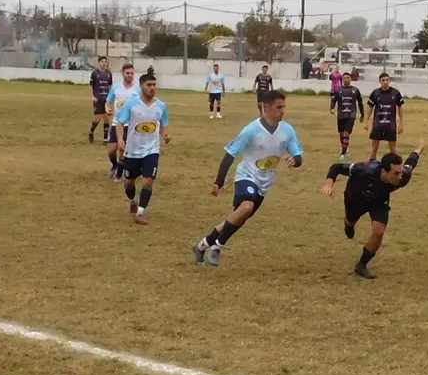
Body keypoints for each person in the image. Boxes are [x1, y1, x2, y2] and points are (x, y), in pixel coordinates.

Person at [193, 90, 303, 266]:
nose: (282, 111)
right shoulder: (251, 130)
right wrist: (219, 181)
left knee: (238, 217)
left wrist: (294, 160)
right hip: (246, 175)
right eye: (278, 107)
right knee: (246, 207)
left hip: (265, 183)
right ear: (265, 107)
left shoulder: (287, 131)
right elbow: (230, 154)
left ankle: (202, 245)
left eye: (284, 107)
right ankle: (217, 247)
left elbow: (298, 156)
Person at [321, 140, 426, 279]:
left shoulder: (403, 176)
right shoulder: (365, 169)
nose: (400, 177)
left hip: (378, 201)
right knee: (350, 221)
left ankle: (362, 265)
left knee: (379, 232)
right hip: (355, 199)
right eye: (395, 173)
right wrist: (329, 184)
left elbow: (411, 162)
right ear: (384, 171)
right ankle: (349, 224)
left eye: (400, 172)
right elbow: (336, 167)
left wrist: (419, 149)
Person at [115, 72, 171, 225]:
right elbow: (120, 123)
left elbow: (162, 124)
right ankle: (133, 201)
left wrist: (165, 135)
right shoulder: (131, 104)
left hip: (152, 150)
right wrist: (120, 138)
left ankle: (140, 212)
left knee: (148, 180)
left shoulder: (161, 106)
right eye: (149, 85)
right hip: (132, 150)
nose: (153, 88)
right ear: (141, 86)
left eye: (154, 85)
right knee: (129, 182)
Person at [105, 63, 140, 181]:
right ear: (122, 73)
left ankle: (119, 175)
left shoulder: (137, 90)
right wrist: (107, 108)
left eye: (132, 73)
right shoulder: (116, 88)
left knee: (122, 149)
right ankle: (115, 165)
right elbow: (108, 101)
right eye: (128, 73)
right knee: (111, 151)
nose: (130, 75)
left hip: (130, 124)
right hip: (117, 123)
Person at [364, 73, 404, 160]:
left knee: (393, 149)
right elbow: (370, 107)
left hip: (391, 125)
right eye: (383, 80)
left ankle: (397, 167)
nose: (385, 82)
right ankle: (372, 165)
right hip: (378, 125)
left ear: (389, 81)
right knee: (374, 148)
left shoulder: (395, 93)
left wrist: (401, 123)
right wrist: (366, 121)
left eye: (387, 80)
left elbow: (400, 107)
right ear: (379, 81)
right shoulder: (375, 93)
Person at [330, 72, 364, 160]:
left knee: (346, 134)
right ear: (342, 79)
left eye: (348, 78)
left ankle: (343, 152)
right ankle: (344, 148)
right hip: (341, 115)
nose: (346, 79)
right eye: (344, 78)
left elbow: (360, 102)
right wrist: (332, 108)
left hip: (351, 115)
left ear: (350, 79)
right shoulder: (338, 90)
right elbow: (333, 100)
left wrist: (362, 114)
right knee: (341, 134)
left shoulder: (355, 90)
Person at [88, 56, 113, 143]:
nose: (104, 63)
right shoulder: (95, 73)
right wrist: (92, 96)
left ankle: (105, 139)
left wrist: (110, 98)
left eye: (105, 62)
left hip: (106, 99)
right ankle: (91, 131)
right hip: (98, 99)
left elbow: (110, 86)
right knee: (97, 119)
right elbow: (91, 85)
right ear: (99, 63)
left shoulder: (109, 73)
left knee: (106, 118)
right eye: (102, 61)